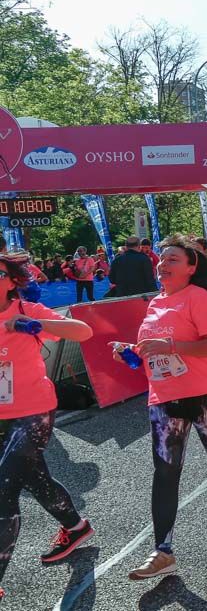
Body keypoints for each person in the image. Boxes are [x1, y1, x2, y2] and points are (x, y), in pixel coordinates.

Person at [109, 235, 207, 581]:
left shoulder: (199, 298)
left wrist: (170, 344)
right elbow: (156, 349)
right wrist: (133, 353)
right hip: (164, 396)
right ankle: (162, 551)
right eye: (161, 259)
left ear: (192, 267)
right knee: (165, 472)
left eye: (173, 259)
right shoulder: (156, 303)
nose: (163, 264)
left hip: (205, 394)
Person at [0, 253, 95, 605]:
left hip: (33, 411)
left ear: (12, 280)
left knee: (4, 490)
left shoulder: (27, 309)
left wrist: (34, 324)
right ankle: (76, 527)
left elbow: (83, 332)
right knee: (35, 478)